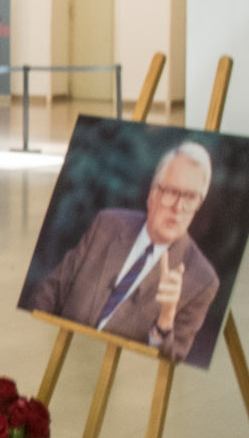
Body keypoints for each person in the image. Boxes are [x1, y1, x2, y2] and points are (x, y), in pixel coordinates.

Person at [25, 141, 221, 362]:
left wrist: (165, 320)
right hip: (58, 351)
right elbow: (50, 291)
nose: (178, 207)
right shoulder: (107, 224)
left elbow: (171, 361)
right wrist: (35, 345)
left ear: (199, 203)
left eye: (190, 197)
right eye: (172, 191)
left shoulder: (202, 280)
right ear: (153, 193)